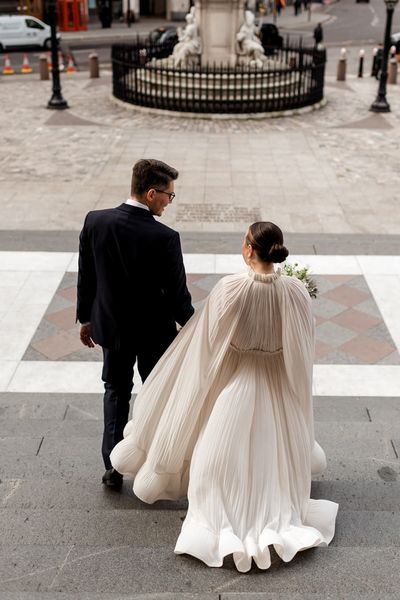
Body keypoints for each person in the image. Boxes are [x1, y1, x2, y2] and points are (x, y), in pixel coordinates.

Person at [110, 221, 338, 572]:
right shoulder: (295, 291)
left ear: (248, 249)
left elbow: (209, 344)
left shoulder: (230, 289)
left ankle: (222, 512)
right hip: (277, 384)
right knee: (272, 452)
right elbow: (303, 349)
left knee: (216, 455)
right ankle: (273, 511)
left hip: (238, 382)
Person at [77, 159, 194, 490]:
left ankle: (112, 467)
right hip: (153, 334)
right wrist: (197, 327)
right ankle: (152, 464)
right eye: (170, 196)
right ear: (152, 193)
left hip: (111, 329)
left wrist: (86, 319)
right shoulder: (165, 237)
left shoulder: (95, 221)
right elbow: (177, 297)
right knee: (155, 395)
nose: (170, 202)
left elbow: (87, 276)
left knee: (115, 391)